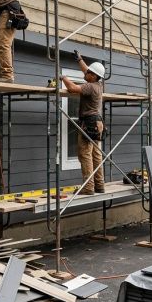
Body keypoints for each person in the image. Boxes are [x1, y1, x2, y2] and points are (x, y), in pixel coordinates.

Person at [60, 51, 106, 195]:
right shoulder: (98, 84)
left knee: (84, 154)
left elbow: (73, 88)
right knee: (96, 155)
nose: (85, 74)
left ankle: (88, 187)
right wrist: (80, 59)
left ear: (93, 76)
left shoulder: (90, 86)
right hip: (97, 123)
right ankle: (99, 185)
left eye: (88, 73)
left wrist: (64, 78)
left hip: (89, 122)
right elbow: (87, 69)